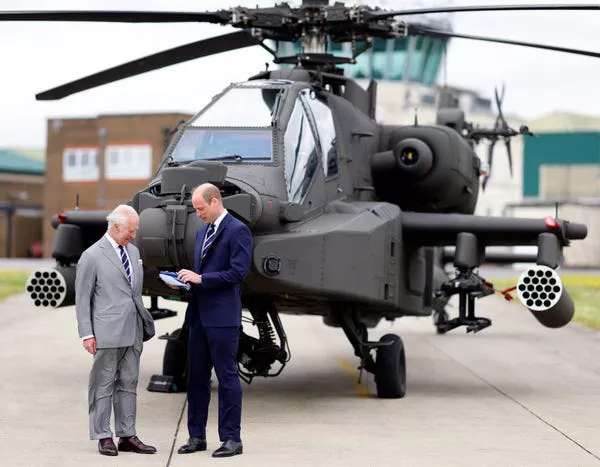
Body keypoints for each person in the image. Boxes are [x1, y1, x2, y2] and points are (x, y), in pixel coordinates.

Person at [176, 183, 253, 458]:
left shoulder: (238, 230)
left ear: (215, 201)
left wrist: (202, 279)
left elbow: (238, 273)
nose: (198, 214)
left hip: (222, 319)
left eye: (200, 208)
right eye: (195, 209)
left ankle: (232, 439)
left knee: (227, 377)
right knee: (196, 378)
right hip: (198, 317)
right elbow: (203, 274)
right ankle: (196, 436)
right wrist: (186, 281)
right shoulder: (202, 232)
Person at [75, 204, 156, 457]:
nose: (134, 235)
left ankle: (127, 435)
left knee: (129, 382)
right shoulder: (92, 255)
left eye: (135, 231)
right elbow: (82, 298)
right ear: (116, 226)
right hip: (106, 332)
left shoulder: (133, 251)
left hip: (133, 330)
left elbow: (133, 291)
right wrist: (87, 333)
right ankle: (103, 435)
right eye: (131, 231)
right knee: (103, 384)